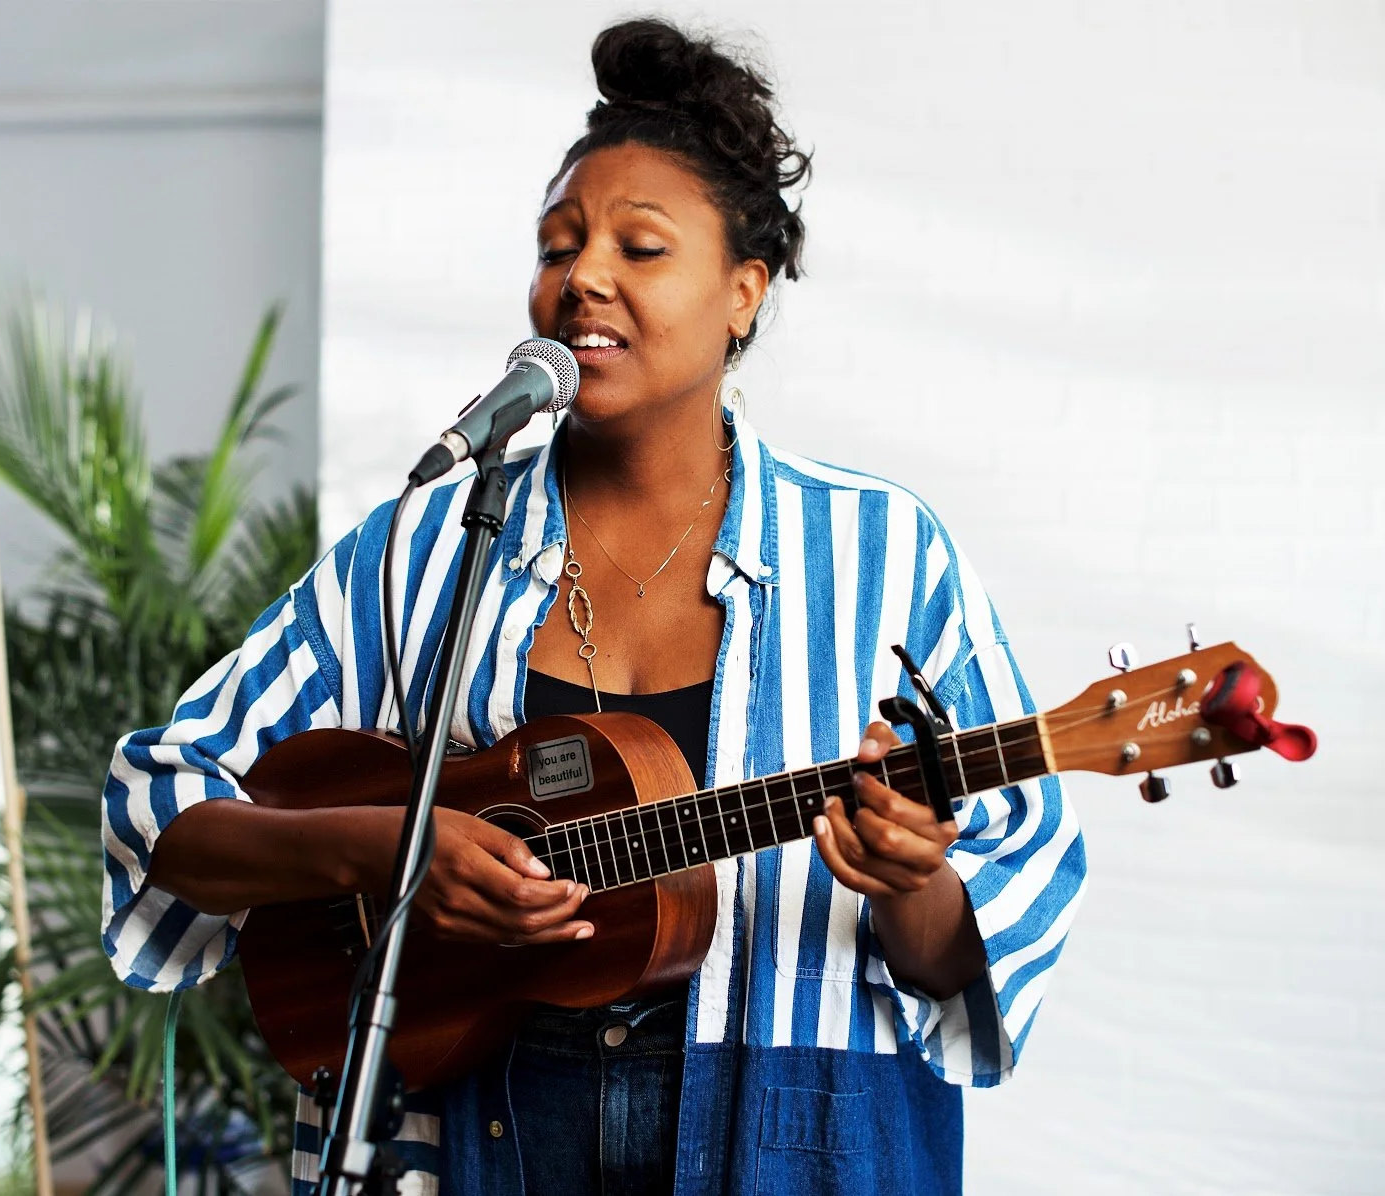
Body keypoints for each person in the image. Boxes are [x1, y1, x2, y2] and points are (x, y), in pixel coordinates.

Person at [101, 18, 1086, 1196]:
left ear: (742, 292)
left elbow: (978, 942)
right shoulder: (431, 542)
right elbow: (166, 805)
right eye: (557, 244)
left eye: (640, 245)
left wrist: (912, 875)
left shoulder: (885, 554)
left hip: (781, 1135)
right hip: (469, 1132)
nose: (583, 277)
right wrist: (388, 850)